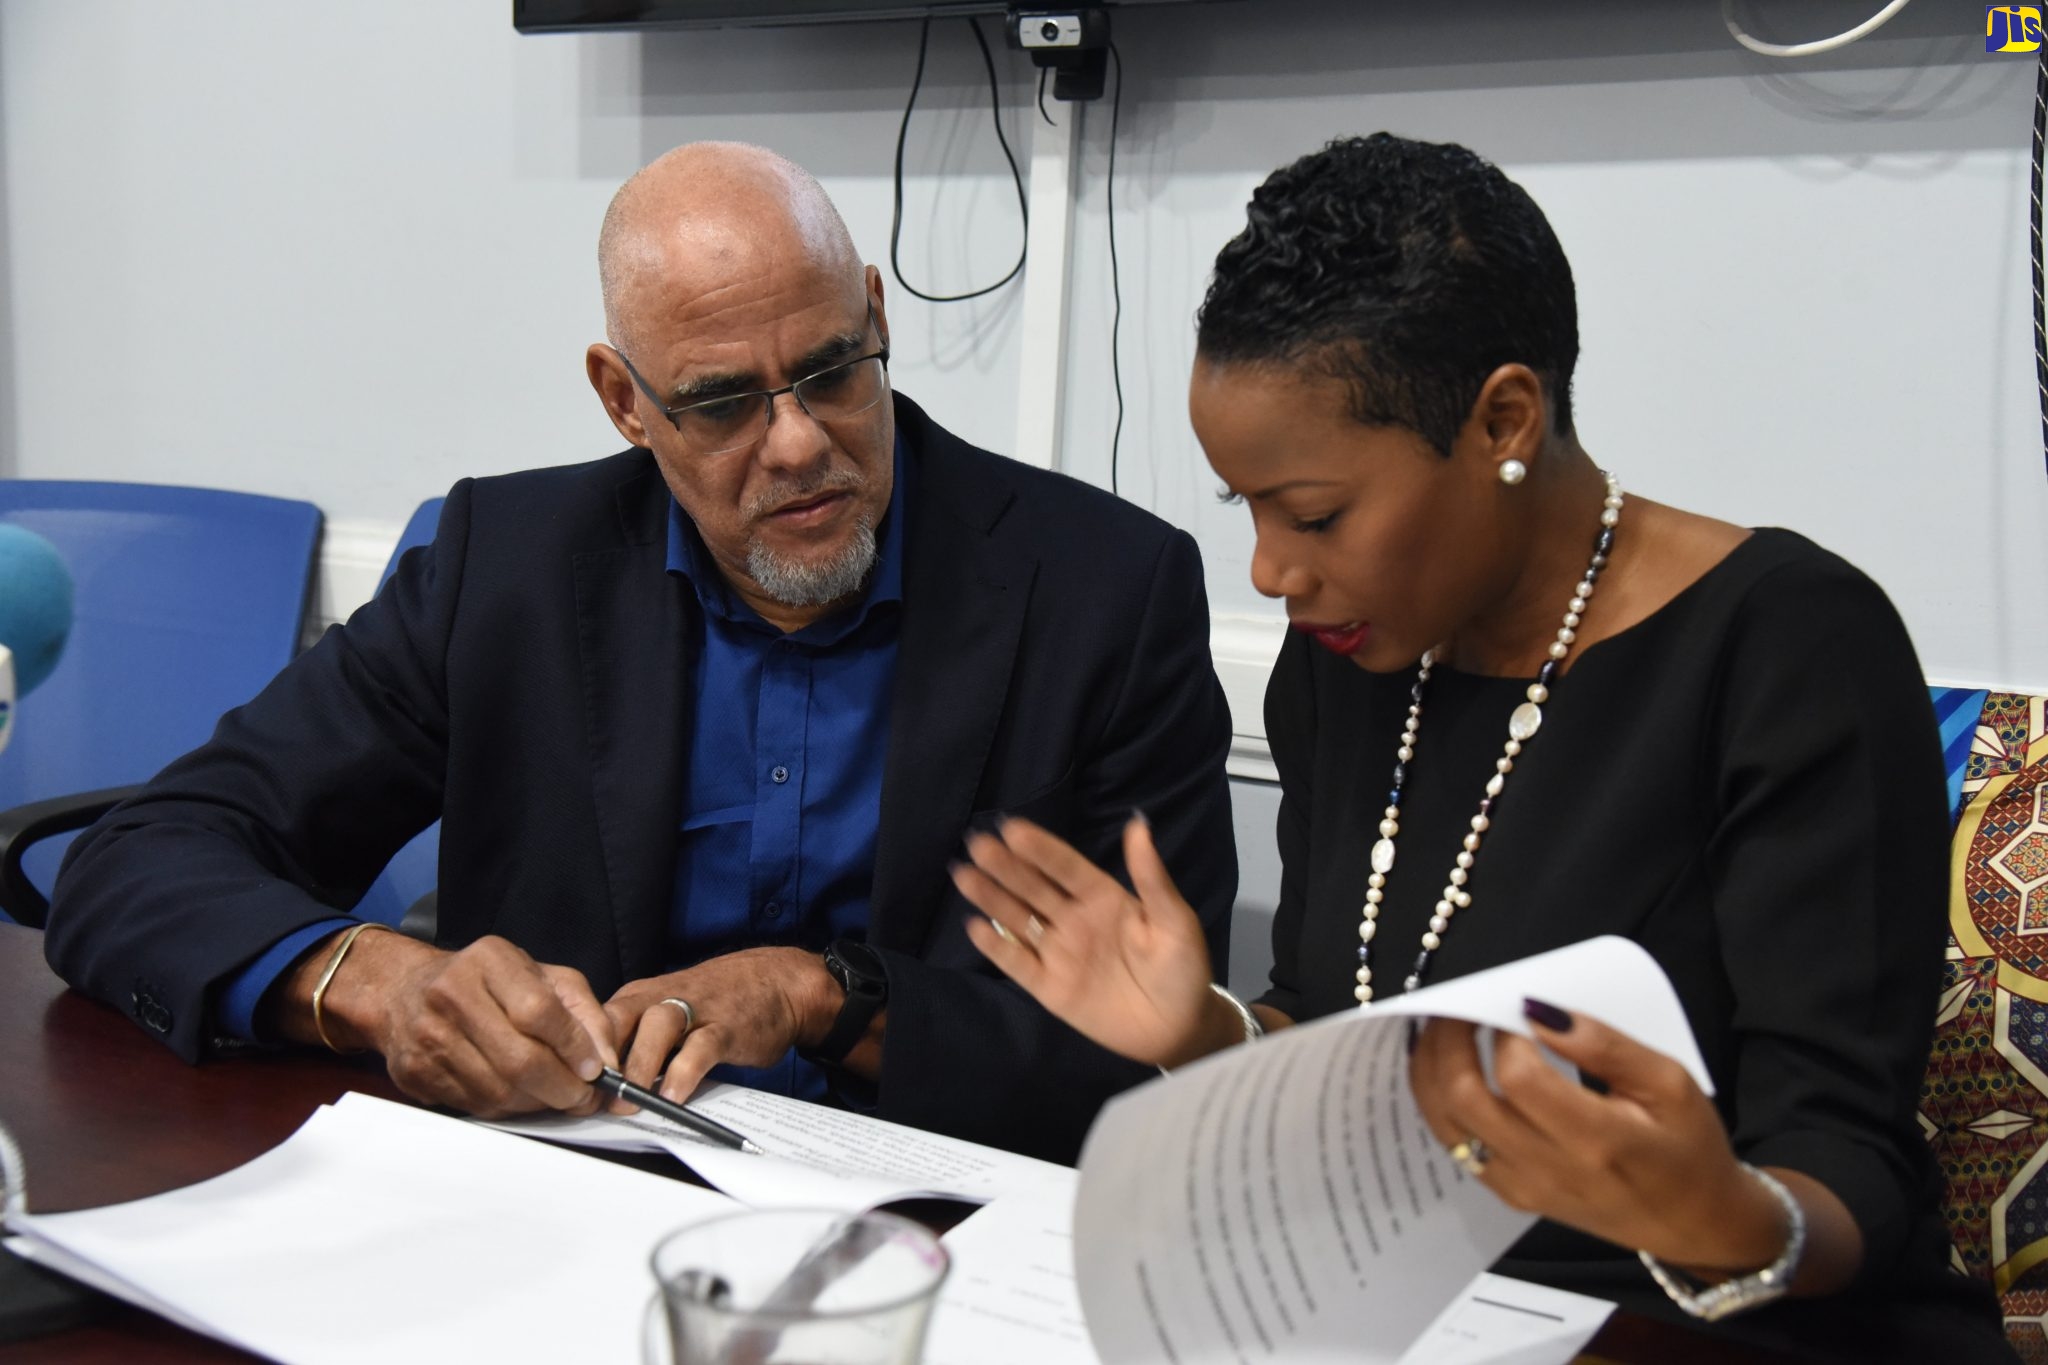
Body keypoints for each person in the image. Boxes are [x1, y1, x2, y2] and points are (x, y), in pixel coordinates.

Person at [953, 133, 2014, 1357]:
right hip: (1415, 1320)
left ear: (1502, 419)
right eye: (1241, 507)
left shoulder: (1786, 646)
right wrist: (1203, 1035)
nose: (1268, 570)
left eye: (1313, 514)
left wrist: (1719, 1210)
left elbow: (1845, 1176)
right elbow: (1337, 1033)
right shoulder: (1351, 655)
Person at [42, 142, 1236, 1165]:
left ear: (876, 316)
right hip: (562, 1195)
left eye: (830, 372)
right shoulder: (505, 567)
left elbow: (1157, 1047)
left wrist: (823, 995)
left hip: (931, 1221)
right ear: (623, 401)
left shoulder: (1104, 593)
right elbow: (142, 858)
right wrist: (377, 984)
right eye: (721, 404)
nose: (795, 445)